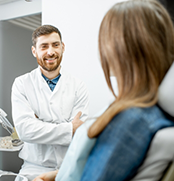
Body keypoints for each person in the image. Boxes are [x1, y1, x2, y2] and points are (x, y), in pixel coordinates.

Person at [33, 0, 174, 180]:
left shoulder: (131, 121)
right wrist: (57, 175)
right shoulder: (148, 112)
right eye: (44, 46)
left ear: (119, 49)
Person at [11, 25, 89, 180]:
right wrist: (68, 128)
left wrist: (40, 125)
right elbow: (25, 131)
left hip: (70, 166)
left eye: (55, 45)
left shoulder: (78, 86)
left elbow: (80, 131)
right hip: (34, 169)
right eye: (44, 46)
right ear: (34, 51)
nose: (50, 52)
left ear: (63, 47)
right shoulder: (22, 84)